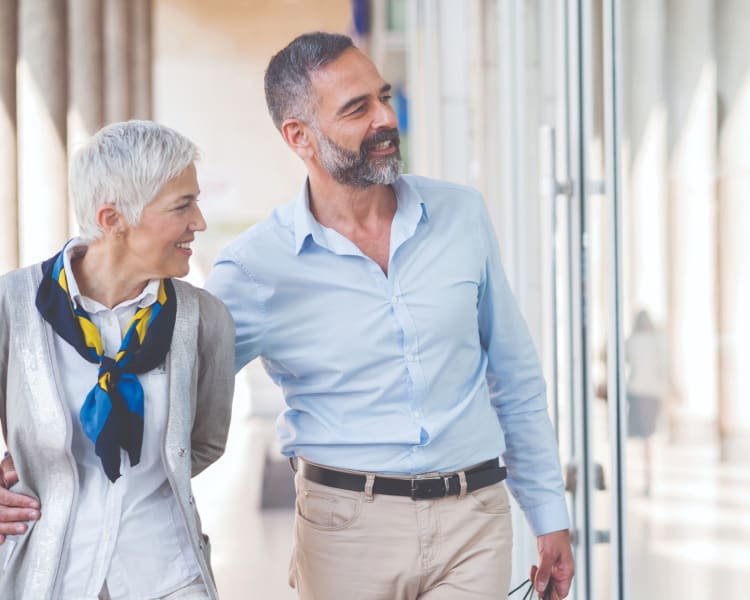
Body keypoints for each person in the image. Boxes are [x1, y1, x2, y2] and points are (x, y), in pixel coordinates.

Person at [208, 32, 573, 599]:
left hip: (473, 523)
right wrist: (41, 466)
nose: (385, 117)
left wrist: (548, 511)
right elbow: (179, 404)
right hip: (344, 536)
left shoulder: (461, 214)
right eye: (357, 108)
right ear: (298, 136)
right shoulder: (256, 267)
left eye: (384, 95)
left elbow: (515, 376)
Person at [0, 120, 235, 599]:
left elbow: (204, 442)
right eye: (182, 205)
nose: (200, 222)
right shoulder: (12, 307)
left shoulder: (204, 320)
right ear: (113, 220)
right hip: (50, 579)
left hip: (167, 577)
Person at [625, 309, 669, 496]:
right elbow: (665, 367)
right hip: (652, 394)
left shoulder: (631, 341)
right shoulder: (657, 341)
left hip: (637, 392)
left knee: (643, 438)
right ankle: (647, 477)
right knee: (647, 438)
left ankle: (645, 477)